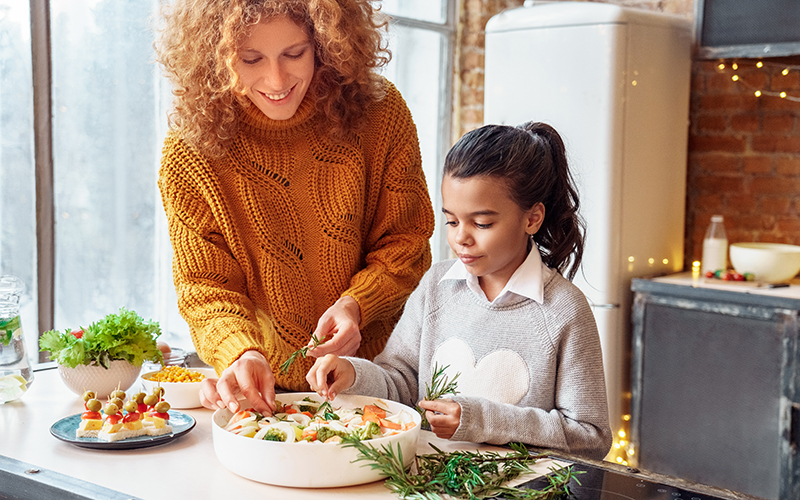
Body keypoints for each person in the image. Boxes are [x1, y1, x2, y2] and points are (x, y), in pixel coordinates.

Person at [154, 0, 435, 416]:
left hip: (381, 380)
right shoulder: (190, 152)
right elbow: (205, 286)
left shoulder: (379, 113)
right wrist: (239, 352)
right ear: (215, 56)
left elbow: (407, 241)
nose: (276, 78)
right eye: (251, 59)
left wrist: (358, 304)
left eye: (294, 53)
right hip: (267, 392)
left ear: (325, 44)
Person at [307, 122, 613, 459]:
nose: (461, 238)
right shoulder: (435, 287)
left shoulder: (564, 311)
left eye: (482, 223)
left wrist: (479, 420)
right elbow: (401, 384)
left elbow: (591, 437)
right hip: (427, 484)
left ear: (532, 219)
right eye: (452, 221)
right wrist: (353, 374)